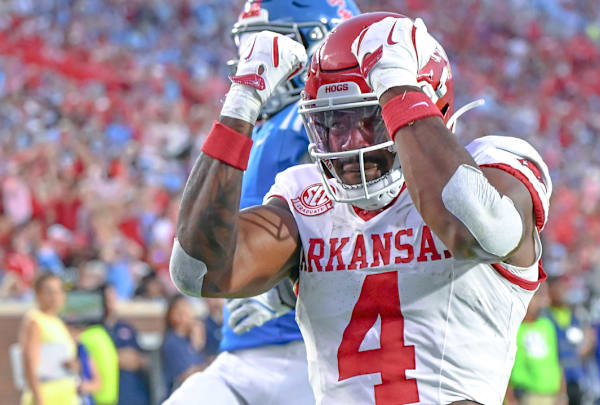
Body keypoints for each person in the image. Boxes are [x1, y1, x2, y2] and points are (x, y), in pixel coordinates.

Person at [170, 11, 552, 405]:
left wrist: (395, 85)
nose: (352, 142)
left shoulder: (495, 164)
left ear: (427, 102)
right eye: (334, 123)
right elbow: (197, 272)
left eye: (370, 119)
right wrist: (242, 100)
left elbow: (481, 231)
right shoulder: (305, 197)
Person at [163, 1, 359, 404]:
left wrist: (283, 291)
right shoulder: (264, 127)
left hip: (315, 351)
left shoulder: (326, 125)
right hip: (241, 355)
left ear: (316, 44)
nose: (254, 56)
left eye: (267, 41)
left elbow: (367, 228)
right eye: (249, 42)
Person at [18, 273, 80, 405]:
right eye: (49, 292)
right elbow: (29, 363)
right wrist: (39, 400)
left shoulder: (57, 321)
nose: (56, 297)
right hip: (46, 395)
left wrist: (72, 365)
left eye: (59, 291)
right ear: (38, 293)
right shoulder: (35, 320)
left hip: (65, 394)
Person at [506, 285, 566, 405]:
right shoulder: (512, 328)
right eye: (537, 297)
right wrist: (510, 398)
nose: (542, 302)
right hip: (526, 395)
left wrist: (563, 393)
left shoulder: (547, 325)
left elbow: (557, 360)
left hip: (551, 395)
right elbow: (505, 365)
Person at [102, 284, 151, 405]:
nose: (110, 301)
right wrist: (115, 358)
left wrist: (137, 359)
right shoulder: (95, 329)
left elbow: (143, 359)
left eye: (113, 296)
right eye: (106, 297)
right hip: (108, 394)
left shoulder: (126, 327)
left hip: (134, 394)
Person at [545, 274, 587, 405]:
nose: (563, 292)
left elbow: (583, 346)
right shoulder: (544, 316)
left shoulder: (575, 316)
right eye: (558, 288)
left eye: (565, 288)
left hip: (574, 378)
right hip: (553, 379)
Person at [161, 295, 207, 399]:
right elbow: (187, 375)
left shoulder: (194, 338)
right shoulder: (172, 342)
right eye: (180, 310)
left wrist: (197, 342)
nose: (186, 314)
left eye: (187, 308)